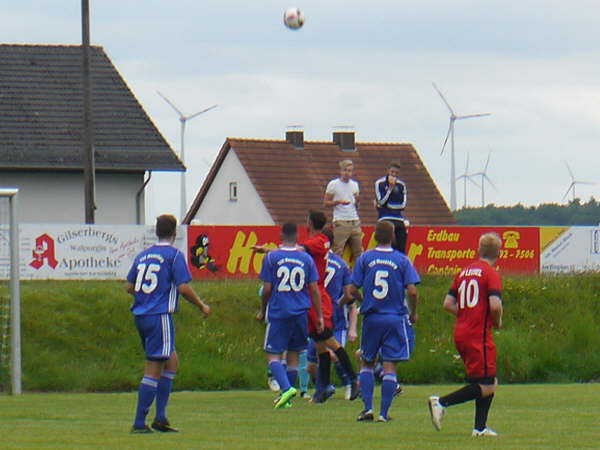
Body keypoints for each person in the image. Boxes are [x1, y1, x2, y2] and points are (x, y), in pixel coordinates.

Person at [126, 214, 211, 434]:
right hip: (159, 314)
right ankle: (139, 422)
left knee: (171, 361)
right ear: (175, 233)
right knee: (154, 367)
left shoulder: (144, 255)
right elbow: (183, 288)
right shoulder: (174, 256)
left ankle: (161, 417)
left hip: (141, 314)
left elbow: (129, 286)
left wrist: (146, 295)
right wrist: (201, 305)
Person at [427, 232, 504, 437]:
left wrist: (467, 315)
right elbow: (495, 306)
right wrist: (496, 322)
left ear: (478, 250)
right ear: (499, 253)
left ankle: (479, 428)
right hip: (478, 333)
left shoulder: (464, 271)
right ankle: (441, 402)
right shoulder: (490, 273)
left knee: (484, 380)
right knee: (489, 384)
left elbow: (447, 304)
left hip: (461, 331)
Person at [348, 221, 419, 423]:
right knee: (390, 366)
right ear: (393, 236)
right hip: (394, 318)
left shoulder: (365, 258)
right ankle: (383, 414)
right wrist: (413, 313)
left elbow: (352, 290)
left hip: (372, 317)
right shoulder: (402, 260)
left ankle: (368, 409)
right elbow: (412, 291)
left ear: (374, 236)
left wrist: (366, 300)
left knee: (367, 362)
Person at [256, 222, 323, 409]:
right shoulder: (306, 259)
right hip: (300, 313)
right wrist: (319, 316)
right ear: (298, 237)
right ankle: (289, 398)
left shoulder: (271, 258)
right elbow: (314, 289)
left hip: (279, 312)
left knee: (273, 355)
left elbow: (267, 288)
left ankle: (286, 389)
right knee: (294, 355)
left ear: (280, 235)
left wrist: (263, 309)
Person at [305, 228, 358, 400]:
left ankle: (352, 380)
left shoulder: (313, 259)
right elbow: (349, 293)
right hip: (325, 305)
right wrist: (341, 303)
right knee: (320, 346)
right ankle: (323, 388)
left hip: (322, 304)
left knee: (330, 344)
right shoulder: (341, 264)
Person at [324, 159, 363, 259]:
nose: (347, 173)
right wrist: (338, 202)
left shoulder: (355, 185)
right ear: (341, 171)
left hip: (354, 220)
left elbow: (356, 206)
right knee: (337, 251)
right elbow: (326, 203)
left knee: (359, 252)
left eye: (349, 170)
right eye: (345, 170)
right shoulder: (333, 184)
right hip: (341, 220)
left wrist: (358, 200)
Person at [375, 161, 409, 253]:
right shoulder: (380, 183)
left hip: (398, 218)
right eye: (392, 172)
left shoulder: (401, 185)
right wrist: (390, 189)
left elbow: (403, 205)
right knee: (385, 241)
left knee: (401, 244)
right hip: (384, 217)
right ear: (388, 171)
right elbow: (381, 201)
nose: (394, 175)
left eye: (396, 173)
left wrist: (388, 205)